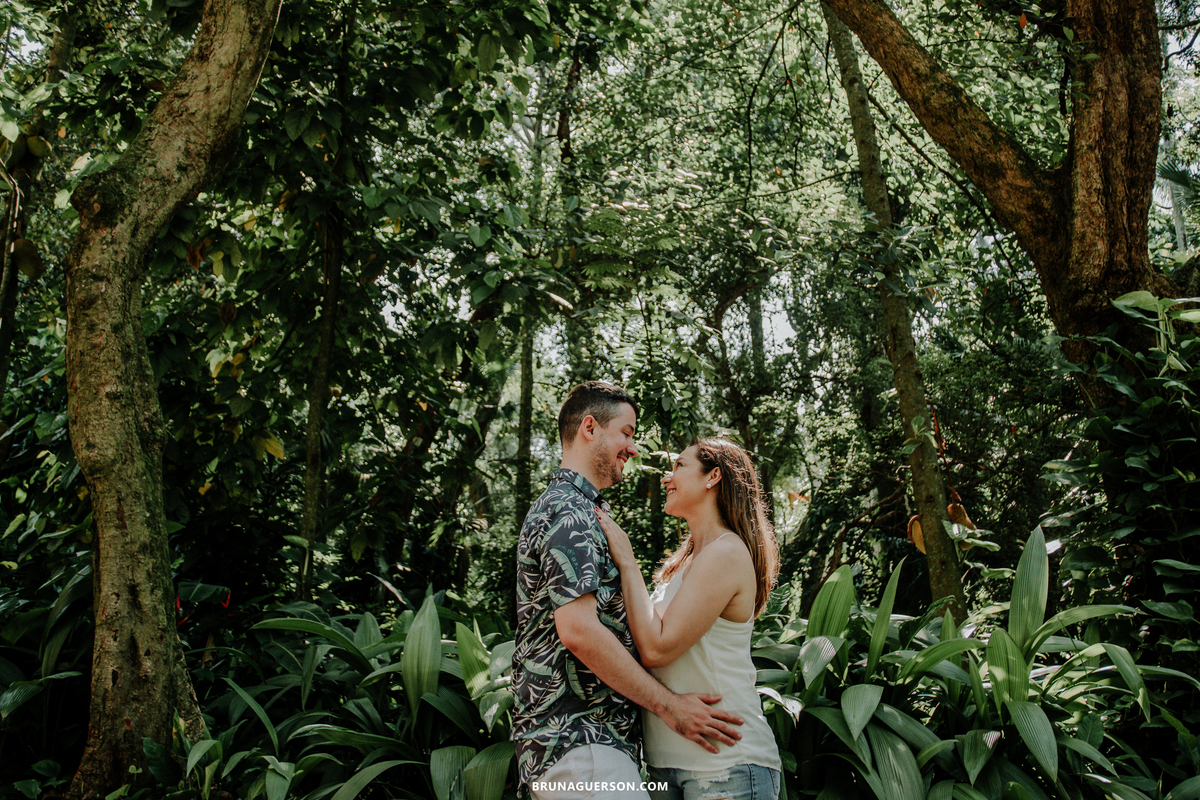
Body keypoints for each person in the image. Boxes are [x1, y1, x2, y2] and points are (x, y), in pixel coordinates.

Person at [513, 383, 745, 800]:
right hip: (583, 745)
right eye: (626, 432)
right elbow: (579, 631)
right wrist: (670, 707)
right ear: (589, 427)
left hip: (587, 750)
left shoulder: (580, 509)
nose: (632, 447)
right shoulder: (570, 511)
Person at [595, 437, 782, 800]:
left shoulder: (726, 552)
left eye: (680, 466)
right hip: (667, 765)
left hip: (727, 766)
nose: (667, 476)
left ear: (713, 477)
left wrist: (627, 562)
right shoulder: (686, 562)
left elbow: (656, 648)